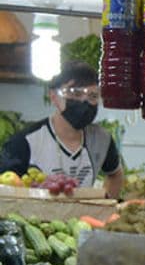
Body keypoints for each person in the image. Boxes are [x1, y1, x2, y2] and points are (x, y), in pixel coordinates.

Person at [0, 62, 124, 199]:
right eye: (75, 93)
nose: (85, 101)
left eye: (93, 96)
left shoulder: (103, 139)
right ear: (54, 96)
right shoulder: (25, 142)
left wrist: (107, 206)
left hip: (84, 219)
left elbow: (115, 174)